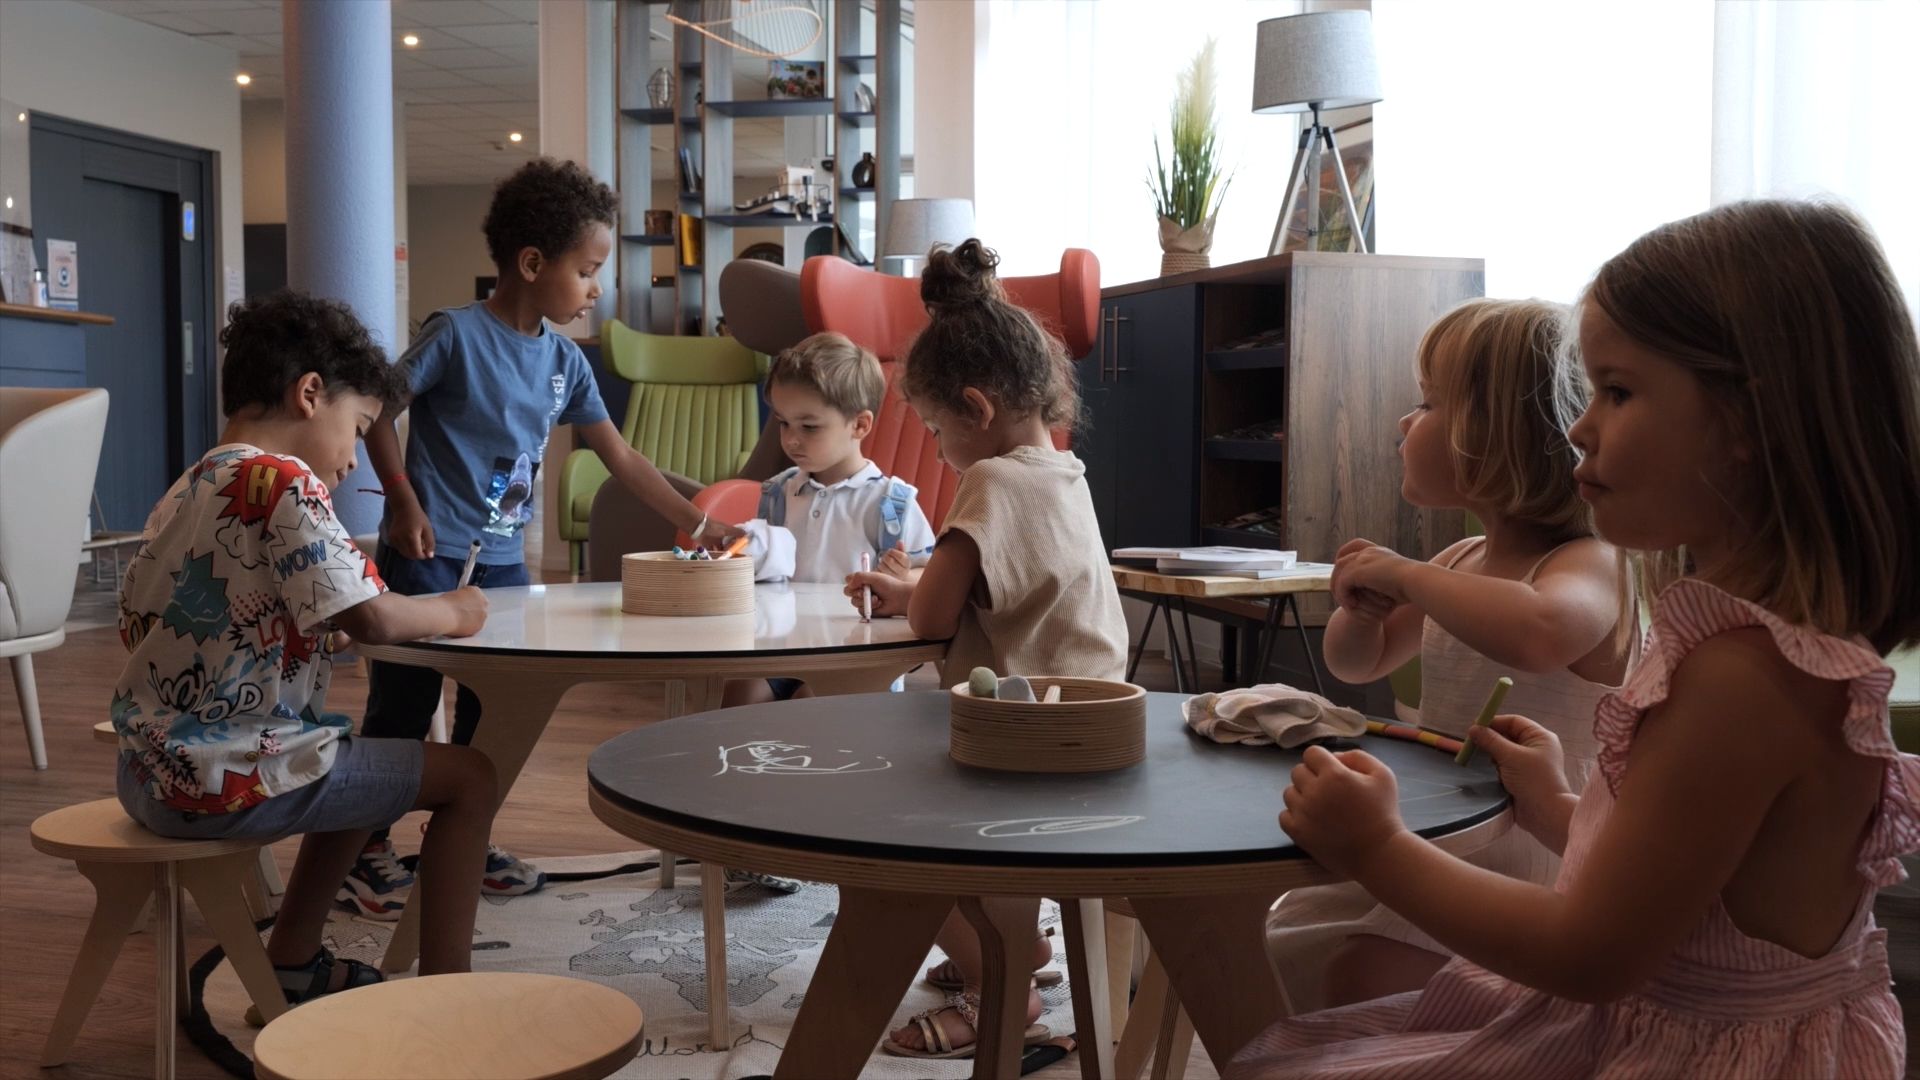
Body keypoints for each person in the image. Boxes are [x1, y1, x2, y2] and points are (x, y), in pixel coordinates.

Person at [1229, 200, 1920, 1078]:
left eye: (1619, 391)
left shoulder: (1743, 680)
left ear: (1748, 421)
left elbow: (1591, 956)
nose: (1581, 427)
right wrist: (1557, 804)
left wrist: (1377, 849)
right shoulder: (1761, 653)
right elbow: (1690, 889)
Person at [343, 158, 735, 917]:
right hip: (426, 562)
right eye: (587, 271)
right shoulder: (454, 334)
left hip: (501, 570)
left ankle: (464, 834)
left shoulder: (565, 362)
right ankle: (363, 847)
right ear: (532, 263)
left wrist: (699, 520)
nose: (595, 289)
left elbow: (620, 458)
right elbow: (377, 408)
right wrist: (400, 501)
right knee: (402, 708)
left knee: (499, 714)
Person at [110, 291, 498, 1002]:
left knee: (353, 754)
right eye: (360, 427)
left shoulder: (190, 485)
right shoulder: (283, 481)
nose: (356, 458)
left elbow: (233, 612)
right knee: (469, 776)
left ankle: (291, 961)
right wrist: (456, 607)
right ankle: (454, 997)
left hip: (147, 770)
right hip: (216, 777)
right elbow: (378, 621)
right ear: (311, 393)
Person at [1267, 298, 1635, 1012]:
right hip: (1440, 831)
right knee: (1286, 947)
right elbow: (1355, 664)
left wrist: (1406, 576)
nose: (1405, 422)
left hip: (1537, 848)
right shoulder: (1461, 561)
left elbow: (1541, 632)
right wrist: (1360, 613)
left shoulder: (1590, 563)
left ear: (1499, 434)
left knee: (1358, 982)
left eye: (1427, 402)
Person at [844, 239, 1130, 1058]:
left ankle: (1004, 980)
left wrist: (911, 595)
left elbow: (934, 624)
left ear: (975, 408)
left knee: (879, 845)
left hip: (1024, 742)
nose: (936, 449)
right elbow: (997, 586)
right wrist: (923, 586)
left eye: (935, 430)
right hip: (1092, 727)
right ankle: (1005, 941)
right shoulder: (1062, 472)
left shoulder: (991, 481)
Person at [723, 330, 935, 709]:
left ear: (860, 425)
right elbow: (762, 571)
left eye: (809, 426)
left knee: (812, 712)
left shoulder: (892, 503)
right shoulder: (777, 493)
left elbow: (933, 581)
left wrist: (901, 579)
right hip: (780, 649)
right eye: (784, 423)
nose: (791, 440)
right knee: (739, 701)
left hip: (855, 660)